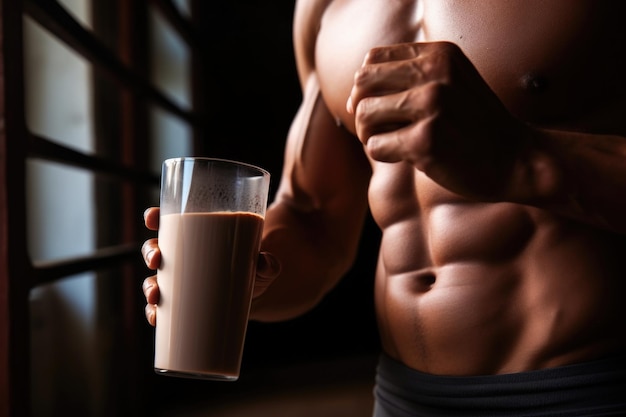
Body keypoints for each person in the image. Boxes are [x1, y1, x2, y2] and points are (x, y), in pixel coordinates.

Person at [142, 0, 626, 415]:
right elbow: (314, 219)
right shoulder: (322, 7)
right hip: (404, 397)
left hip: (586, 389)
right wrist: (245, 275)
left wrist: (523, 158)